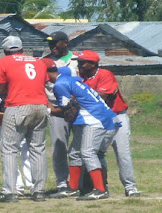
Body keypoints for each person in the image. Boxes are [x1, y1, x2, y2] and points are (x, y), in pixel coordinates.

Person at [46, 60, 121, 200]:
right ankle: (73, 188)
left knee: (88, 152)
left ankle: (100, 189)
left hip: (95, 119)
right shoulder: (73, 81)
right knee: (74, 152)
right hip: (96, 118)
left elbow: (67, 112)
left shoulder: (61, 84)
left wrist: (47, 108)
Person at [0, 35, 49, 202]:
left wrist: (8, 92)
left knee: (9, 148)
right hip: (41, 105)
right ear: (22, 48)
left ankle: (9, 191)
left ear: (5, 50)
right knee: (37, 148)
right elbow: (40, 82)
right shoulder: (38, 61)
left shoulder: (4, 61)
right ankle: (39, 191)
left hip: (17, 106)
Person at [77, 50, 140, 197]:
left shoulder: (104, 74)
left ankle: (130, 187)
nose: (79, 65)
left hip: (116, 117)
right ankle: (101, 187)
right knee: (98, 153)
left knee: (122, 153)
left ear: (93, 64)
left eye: (82, 62)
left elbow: (102, 97)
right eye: (79, 62)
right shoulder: (80, 77)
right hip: (98, 120)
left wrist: (79, 97)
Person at [43, 31, 79, 195]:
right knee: (59, 147)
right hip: (57, 110)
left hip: (79, 109)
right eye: (50, 43)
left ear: (65, 42)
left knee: (80, 148)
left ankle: (80, 182)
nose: (52, 46)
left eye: (55, 42)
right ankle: (62, 183)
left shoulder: (78, 59)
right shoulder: (45, 61)